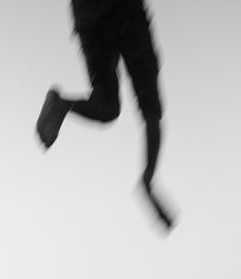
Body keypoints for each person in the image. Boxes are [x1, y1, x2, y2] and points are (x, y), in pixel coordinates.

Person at [36, 0, 174, 229]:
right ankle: (147, 178)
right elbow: (151, 114)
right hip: (124, 12)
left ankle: (62, 103)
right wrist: (148, 177)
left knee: (107, 106)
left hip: (86, 14)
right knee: (149, 108)